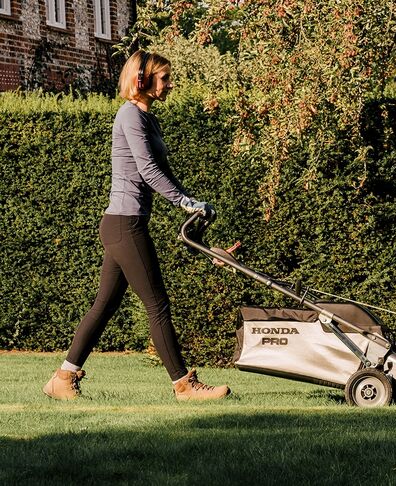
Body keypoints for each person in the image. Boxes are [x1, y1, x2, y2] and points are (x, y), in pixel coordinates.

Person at [42, 50, 231, 400]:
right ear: (141, 80)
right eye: (165, 78)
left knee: (105, 305)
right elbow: (147, 170)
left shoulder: (149, 119)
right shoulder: (129, 115)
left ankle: (62, 379)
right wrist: (184, 201)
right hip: (124, 224)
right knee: (157, 304)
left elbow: (164, 172)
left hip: (125, 223)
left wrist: (192, 201)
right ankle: (183, 385)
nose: (170, 84)